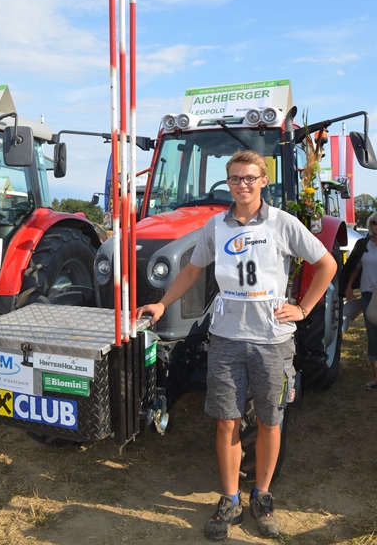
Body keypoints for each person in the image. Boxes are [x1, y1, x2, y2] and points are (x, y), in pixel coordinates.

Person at [137, 149, 337, 540]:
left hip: (272, 341)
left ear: (263, 181)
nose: (242, 185)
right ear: (228, 182)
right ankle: (230, 499)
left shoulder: (282, 222)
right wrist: (162, 303)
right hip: (227, 338)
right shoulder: (216, 226)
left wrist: (303, 308)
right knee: (226, 419)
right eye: (235, 178)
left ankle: (261, 495)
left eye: (249, 178)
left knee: (269, 420)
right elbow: (192, 270)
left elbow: (326, 263)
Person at [343, 212, 377, 390]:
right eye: (374, 222)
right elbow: (356, 267)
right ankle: (376, 377)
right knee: (372, 335)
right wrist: (349, 286)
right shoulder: (363, 245)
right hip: (369, 296)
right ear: (370, 225)